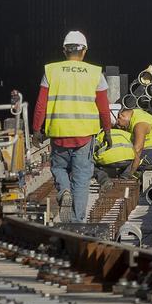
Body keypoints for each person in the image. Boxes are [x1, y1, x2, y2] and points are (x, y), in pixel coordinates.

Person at [32, 30, 111, 222]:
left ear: (64, 50)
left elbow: (41, 104)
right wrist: (107, 131)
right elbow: (103, 107)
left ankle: (64, 190)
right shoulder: (95, 73)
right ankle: (77, 221)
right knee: (82, 178)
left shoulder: (51, 71)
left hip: (59, 133)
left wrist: (36, 129)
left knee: (59, 169)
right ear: (84, 51)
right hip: (84, 136)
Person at [112, 107, 152, 177]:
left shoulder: (140, 124)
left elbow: (138, 149)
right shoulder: (134, 114)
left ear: (121, 116)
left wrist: (128, 174)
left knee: (131, 161)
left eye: (118, 123)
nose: (119, 127)